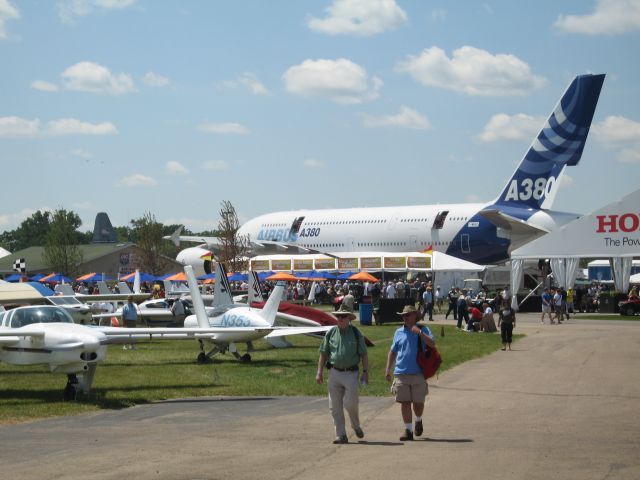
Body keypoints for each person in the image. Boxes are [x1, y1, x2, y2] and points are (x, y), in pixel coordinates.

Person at [316, 308, 368, 444]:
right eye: (338, 316)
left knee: (351, 404)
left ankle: (356, 426)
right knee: (335, 406)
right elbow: (323, 353)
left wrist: (365, 372)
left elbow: (364, 354)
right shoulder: (331, 333)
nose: (340, 319)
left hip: (351, 373)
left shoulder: (356, 333)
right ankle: (341, 435)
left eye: (343, 316)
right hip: (334, 372)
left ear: (349, 318)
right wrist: (319, 372)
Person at [385, 305, 435, 441]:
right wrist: (388, 369)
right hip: (401, 372)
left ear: (415, 316)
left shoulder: (424, 329)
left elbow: (432, 344)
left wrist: (419, 333)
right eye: (403, 315)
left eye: (407, 315)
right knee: (405, 402)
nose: (404, 318)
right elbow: (393, 351)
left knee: (418, 403)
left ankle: (418, 420)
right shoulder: (398, 332)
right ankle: (408, 430)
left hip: (419, 373)